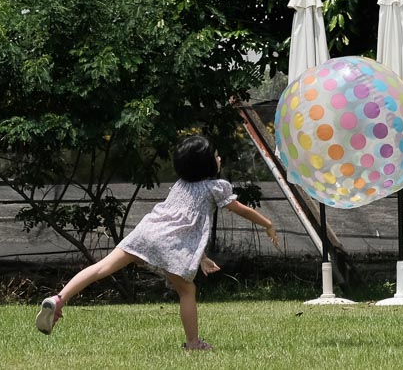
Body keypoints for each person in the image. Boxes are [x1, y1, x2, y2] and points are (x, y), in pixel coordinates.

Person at [35, 134, 279, 350]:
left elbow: (183, 223)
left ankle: (59, 299)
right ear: (207, 165)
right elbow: (240, 210)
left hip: (146, 231)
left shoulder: (181, 185)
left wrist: (201, 258)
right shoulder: (217, 187)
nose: (219, 158)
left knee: (102, 267)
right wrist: (267, 223)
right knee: (187, 290)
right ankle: (194, 344)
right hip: (167, 242)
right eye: (216, 156)